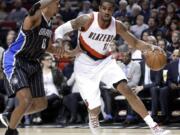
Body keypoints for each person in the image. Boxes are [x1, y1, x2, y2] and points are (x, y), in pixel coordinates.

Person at [54, 0, 171, 135]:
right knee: (95, 109)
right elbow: (60, 29)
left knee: (127, 90)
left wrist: (151, 46)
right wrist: (59, 42)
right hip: (84, 65)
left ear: (113, 10)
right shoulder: (87, 19)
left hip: (105, 62)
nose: (106, 12)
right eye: (104, 8)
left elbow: (134, 42)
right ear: (99, 8)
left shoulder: (117, 25)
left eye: (109, 9)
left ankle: (154, 127)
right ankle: (93, 117)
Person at [0, 0, 61, 135]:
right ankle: (11, 131)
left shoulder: (49, 24)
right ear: (48, 4)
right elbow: (35, 6)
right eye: (57, 2)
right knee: (26, 100)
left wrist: (72, 52)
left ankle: (11, 116)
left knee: (41, 104)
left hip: (33, 62)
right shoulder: (35, 17)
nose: (59, 5)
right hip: (16, 60)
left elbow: (49, 47)